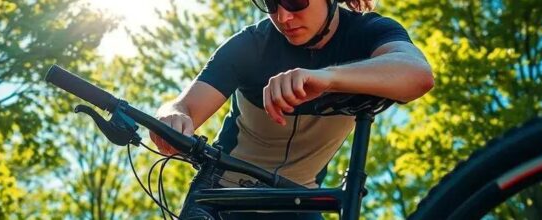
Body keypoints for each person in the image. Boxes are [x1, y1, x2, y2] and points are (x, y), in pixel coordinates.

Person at [150, 0, 434, 218]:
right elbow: (184, 106)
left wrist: (329, 78)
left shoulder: (368, 32)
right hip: (222, 193)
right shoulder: (251, 45)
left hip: (301, 200)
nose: (283, 17)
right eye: (271, 4)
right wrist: (171, 118)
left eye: (296, 1)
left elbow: (418, 73)